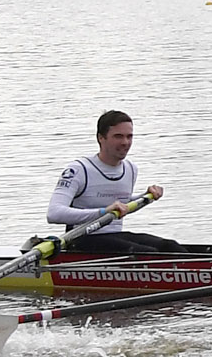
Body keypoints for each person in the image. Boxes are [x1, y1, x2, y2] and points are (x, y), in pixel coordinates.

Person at [48, 110, 181, 257]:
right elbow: (54, 213)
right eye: (118, 136)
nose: (125, 142)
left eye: (129, 136)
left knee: (170, 246)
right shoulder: (78, 170)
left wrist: (146, 197)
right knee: (147, 254)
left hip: (115, 235)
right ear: (101, 138)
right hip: (81, 240)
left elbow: (121, 203)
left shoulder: (131, 169)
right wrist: (103, 212)